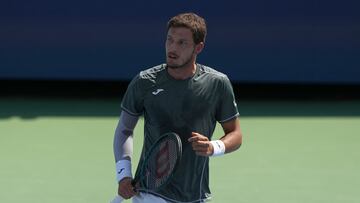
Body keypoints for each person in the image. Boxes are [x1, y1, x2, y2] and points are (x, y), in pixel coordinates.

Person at [113, 12, 242, 203]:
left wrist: (213, 147)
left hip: (196, 196)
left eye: (182, 43)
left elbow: (235, 134)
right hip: (150, 193)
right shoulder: (145, 82)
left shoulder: (217, 84)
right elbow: (124, 129)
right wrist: (123, 173)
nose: (172, 48)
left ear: (198, 47)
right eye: (170, 40)